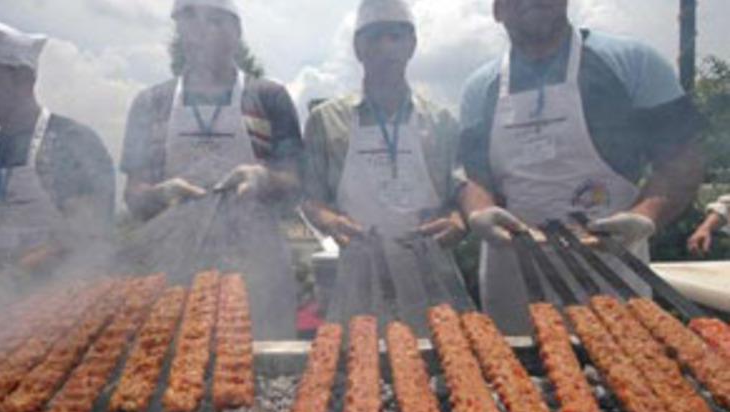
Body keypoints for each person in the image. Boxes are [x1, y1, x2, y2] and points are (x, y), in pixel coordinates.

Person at [457, 0, 705, 334]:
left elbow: (682, 158)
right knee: (516, 364)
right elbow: (474, 175)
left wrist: (645, 217)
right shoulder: (479, 87)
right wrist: (479, 212)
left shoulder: (633, 62)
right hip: (514, 273)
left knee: (628, 363)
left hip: (612, 264)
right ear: (498, 10)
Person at [120, 0, 304, 339]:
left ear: (237, 31)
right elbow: (133, 195)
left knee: (263, 354)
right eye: (189, 21)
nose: (202, 31)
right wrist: (159, 194)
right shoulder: (151, 103)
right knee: (176, 355)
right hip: (174, 270)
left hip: (257, 267)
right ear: (179, 32)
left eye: (215, 21)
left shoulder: (269, 97)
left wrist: (264, 179)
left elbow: (295, 183)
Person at [302, 0, 466, 334]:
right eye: (374, 37)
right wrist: (330, 220)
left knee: (443, 355)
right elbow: (310, 198)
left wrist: (457, 220)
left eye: (396, 36)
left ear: (412, 45)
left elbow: (459, 196)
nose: (385, 47)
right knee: (359, 358)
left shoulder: (441, 120)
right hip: (358, 274)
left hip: (430, 274)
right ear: (357, 47)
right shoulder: (326, 120)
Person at [0, 0, 115, 272]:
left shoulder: (72, 140)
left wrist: (11, 276)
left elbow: (85, 231)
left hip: (72, 290)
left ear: (22, 76)